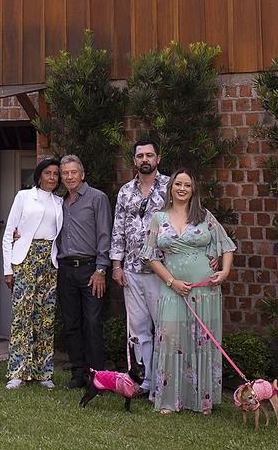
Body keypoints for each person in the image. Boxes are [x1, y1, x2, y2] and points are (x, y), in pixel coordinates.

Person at [139, 168, 235, 414]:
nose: (182, 189)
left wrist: (224, 273)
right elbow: (151, 257)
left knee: (201, 342)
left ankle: (201, 401)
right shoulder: (158, 218)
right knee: (170, 338)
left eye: (188, 185)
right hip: (173, 289)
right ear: (171, 187)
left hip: (205, 290)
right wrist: (172, 282)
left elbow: (226, 245)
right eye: (178, 184)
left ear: (194, 190)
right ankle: (170, 399)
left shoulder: (205, 216)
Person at [110, 138, 169, 388]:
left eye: (149, 155)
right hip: (131, 271)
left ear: (157, 158)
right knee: (138, 330)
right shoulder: (125, 191)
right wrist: (116, 265)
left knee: (165, 328)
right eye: (140, 156)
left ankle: (165, 381)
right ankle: (144, 381)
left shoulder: (170, 186)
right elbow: (118, 229)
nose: (145, 159)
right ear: (134, 160)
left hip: (163, 271)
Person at [1, 157, 63, 389]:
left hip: (49, 260)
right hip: (25, 259)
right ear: (39, 175)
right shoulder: (24, 196)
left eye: (56, 174)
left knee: (44, 317)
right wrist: (8, 269)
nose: (52, 178)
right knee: (22, 316)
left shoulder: (59, 202)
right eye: (48, 173)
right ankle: (17, 372)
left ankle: (43, 373)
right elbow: (9, 234)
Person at [57, 155, 112, 390]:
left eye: (73, 173)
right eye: (65, 173)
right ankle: (78, 374)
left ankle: (97, 376)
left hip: (91, 270)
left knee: (92, 323)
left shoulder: (97, 198)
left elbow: (105, 235)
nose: (69, 177)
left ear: (82, 174)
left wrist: (101, 270)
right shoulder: (59, 202)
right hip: (66, 270)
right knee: (71, 323)